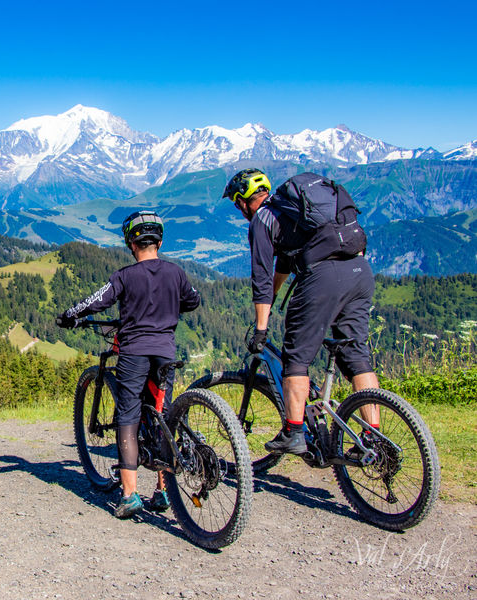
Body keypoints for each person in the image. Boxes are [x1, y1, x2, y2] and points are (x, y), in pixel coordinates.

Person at [223, 169, 380, 455]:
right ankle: (372, 437)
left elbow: (261, 276)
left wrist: (261, 328)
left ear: (244, 201)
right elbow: (281, 267)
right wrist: (273, 299)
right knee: (356, 355)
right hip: (360, 271)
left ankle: (293, 432)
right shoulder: (293, 215)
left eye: (237, 203)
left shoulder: (262, 220)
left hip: (324, 278)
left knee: (295, 358)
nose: (239, 210)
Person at [56, 211, 201, 519]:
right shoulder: (176, 272)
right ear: (159, 241)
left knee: (128, 417)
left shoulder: (124, 276)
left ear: (130, 243)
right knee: (162, 415)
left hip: (134, 353)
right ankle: (163, 491)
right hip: (165, 351)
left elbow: (97, 301)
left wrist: (71, 314)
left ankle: (130, 495)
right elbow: (193, 301)